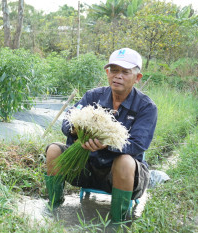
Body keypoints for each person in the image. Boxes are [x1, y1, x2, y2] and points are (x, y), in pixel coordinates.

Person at [45, 48, 158, 223]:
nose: (118, 76)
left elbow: (138, 144)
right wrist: (76, 130)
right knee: (53, 149)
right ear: (107, 72)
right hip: (85, 167)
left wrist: (108, 144)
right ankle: (54, 208)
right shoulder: (92, 96)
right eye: (114, 70)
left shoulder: (146, 107)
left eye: (125, 72)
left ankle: (118, 222)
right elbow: (67, 120)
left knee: (125, 161)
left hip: (120, 176)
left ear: (137, 78)